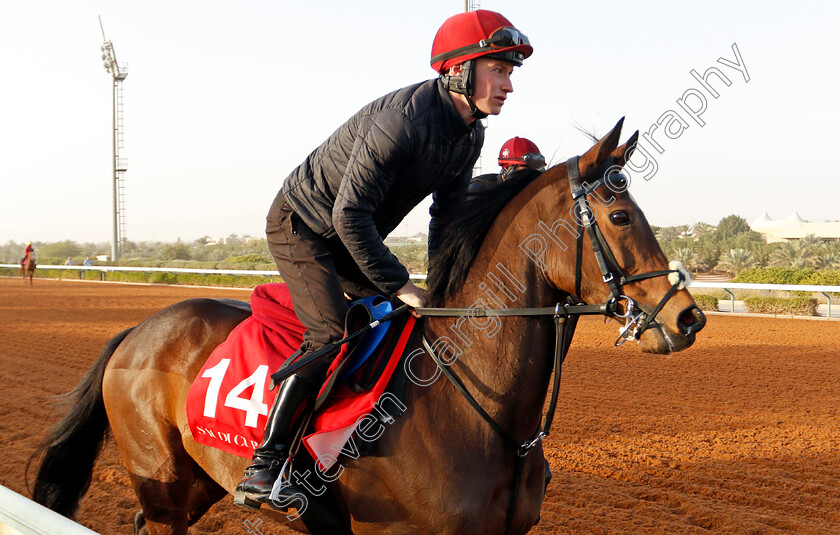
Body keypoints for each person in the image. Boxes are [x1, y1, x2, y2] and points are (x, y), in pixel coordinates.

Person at [235, 9, 533, 508]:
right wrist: (400, 282)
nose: (507, 85)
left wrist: (441, 285)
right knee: (331, 333)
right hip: (303, 226)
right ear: (459, 69)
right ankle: (266, 462)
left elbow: (447, 215)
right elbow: (349, 214)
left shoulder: (471, 134)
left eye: (510, 73)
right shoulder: (403, 121)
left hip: (352, 232)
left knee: (404, 320)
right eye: (498, 70)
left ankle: (353, 439)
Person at [468, 136, 546, 196]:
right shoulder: (481, 189)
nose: (533, 175)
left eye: (537, 169)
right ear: (507, 168)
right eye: (527, 168)